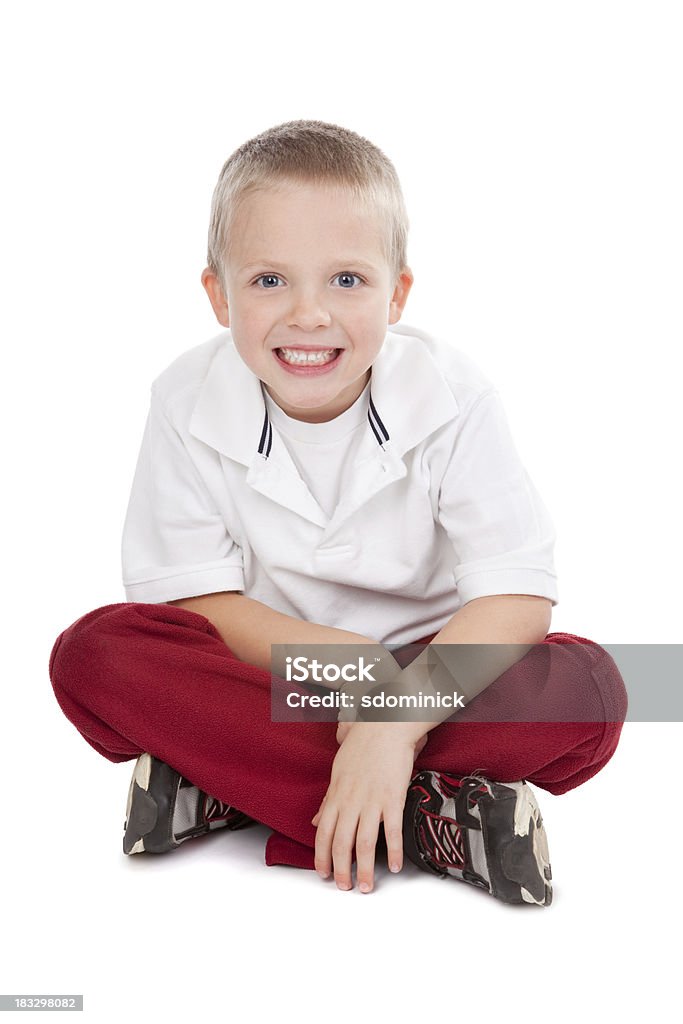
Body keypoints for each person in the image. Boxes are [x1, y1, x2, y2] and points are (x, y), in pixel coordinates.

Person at [48, 119, 627, 907]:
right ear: (218, 294)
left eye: (346, 280)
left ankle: (236, 782)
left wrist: (393, 715)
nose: (309, 315)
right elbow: (191, 602)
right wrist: (354, 678)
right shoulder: (184, 400)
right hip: (276, 671)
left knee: (592, 691)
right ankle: (429, 817)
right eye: (269, 281)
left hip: (433, 671)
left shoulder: (452, 397)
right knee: (95, 655)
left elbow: (516, 596)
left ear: (398, 292)